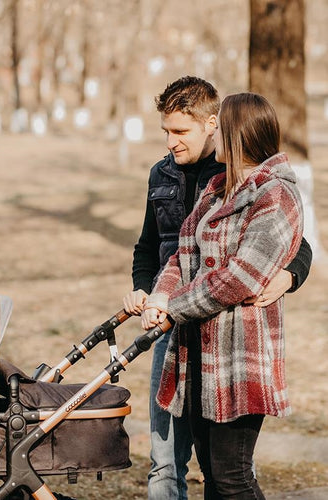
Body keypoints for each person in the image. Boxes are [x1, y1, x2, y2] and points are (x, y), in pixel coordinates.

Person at [122, 77, 312, 499]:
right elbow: (171, 250)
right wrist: (154, 294)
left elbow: (270, 256)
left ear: (217, 127)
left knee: (231, 476)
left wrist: (291, 273)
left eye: (180, 131)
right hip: (185, 338)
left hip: (234, 346)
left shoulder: (256, 187)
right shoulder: (197, 184)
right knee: (190, 468)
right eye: (165, 131)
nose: (170, 141)